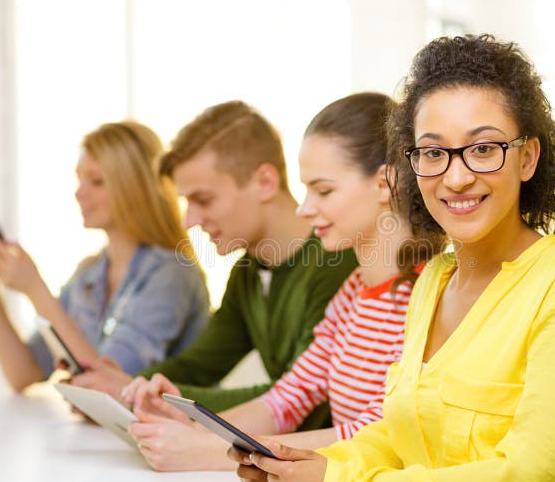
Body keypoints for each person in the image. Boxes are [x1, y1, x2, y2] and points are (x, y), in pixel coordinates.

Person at [231, 34, 555, 482]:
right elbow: (403, 437)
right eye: (433, 152)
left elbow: (529, 481)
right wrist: (306, 469)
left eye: (484, 148)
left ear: (528, 158)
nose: (457, 177)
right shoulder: (433, 283)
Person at [122, 92, 443, 471]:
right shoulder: (354, 293)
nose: (305, 208)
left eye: (323, 191)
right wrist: (203, 433)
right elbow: (285, 400)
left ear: (384, 183)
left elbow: (377, 434)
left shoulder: (430, 298)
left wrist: (205, 451)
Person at [70, 101, 358, 426]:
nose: (190, 220)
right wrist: (131, 386)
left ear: (264, 181)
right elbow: (200, 364)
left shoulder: (337, 263)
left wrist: (150, 396)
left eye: (203, 200)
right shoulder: (247, 271)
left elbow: (299, 399)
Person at [0, 121, 210, 391]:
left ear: (136, 187)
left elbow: (109, 388)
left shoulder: (171, 275)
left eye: (97, 181)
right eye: (80, 179)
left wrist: (35, 289)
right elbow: (24, 372)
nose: (79, 193)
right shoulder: (89, 274)